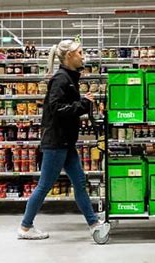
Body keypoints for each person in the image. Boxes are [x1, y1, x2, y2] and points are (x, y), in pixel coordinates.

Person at [17, 39, 110, 241]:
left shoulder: (68, 78)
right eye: (80, 52)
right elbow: (58, 109)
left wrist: (83, 102)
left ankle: (93, 223)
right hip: (56, 142)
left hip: (65, 142)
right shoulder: (61, 79)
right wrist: (83, 103)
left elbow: (66, 105)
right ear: (69, 56)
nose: (83, 56)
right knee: (44, 185)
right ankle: (25, 227)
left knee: (79, 182)